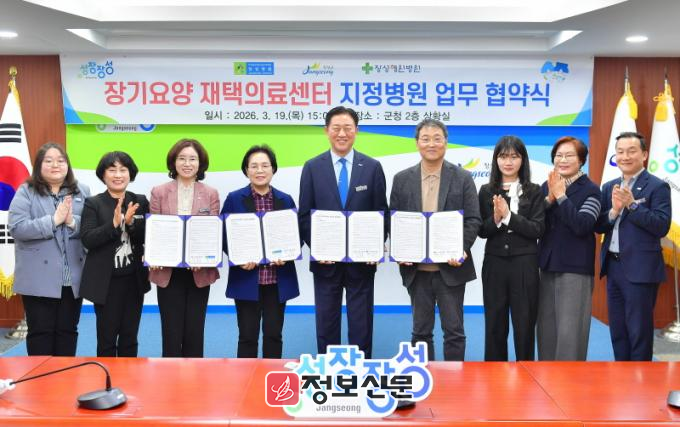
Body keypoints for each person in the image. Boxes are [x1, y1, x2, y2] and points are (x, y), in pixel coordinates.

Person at [298, 106, 388, 358]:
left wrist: (374, 247)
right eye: (336, 128)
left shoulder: (372, 167)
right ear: (326, 130)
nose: (342, 133)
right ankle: (328, 370)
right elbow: (304, 214)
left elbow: (381, 212)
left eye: (347, 128)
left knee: (362, 323)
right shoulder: (312, 167)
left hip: (361, 263)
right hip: (325, 263)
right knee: (326, 322)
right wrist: (318, 249)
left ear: (356, 131)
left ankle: (360, 371)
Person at [389, 119, 481, 361]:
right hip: (416, 271)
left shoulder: (462, 177)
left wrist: (461, 248)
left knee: (454, 332)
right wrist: (400, 250)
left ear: (446, 143)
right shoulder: (401, 179)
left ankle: (454, 379)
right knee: (420, 332)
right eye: (426, 139)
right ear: (417, 143)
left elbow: (473, 219)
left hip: (451, 269)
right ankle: (424, 377)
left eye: (437, 138)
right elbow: (394, 221)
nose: (431, 144)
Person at [8, 142, 90, 355]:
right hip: (38, 277)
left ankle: (65, 374)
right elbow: (17, 228)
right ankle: (41, 375)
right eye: (49, 161)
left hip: (72, 278)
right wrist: (53, 221)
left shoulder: (82, 191)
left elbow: (92, 228)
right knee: (40, 332)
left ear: (67, 165)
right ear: (39, 165)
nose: (56, 165)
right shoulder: (26, 191)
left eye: (61, 160)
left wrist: (72, 222)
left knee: (68, 331)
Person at [595, 131, 671, 361]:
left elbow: (661, 226)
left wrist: (632, 206)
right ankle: (622, 373)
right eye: (620, 152)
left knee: (639, 330)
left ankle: (641, 377)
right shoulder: (609, 186)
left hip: (641, 269)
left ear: (644, 155)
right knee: (617, 329)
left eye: (631, 151)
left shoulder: (657, 186)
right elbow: (600, 225)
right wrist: (614, 211)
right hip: (614, 266)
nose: (625, 156)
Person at [221, 145, 300, 358]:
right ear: (246, 170)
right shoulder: (234, 199)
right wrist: (238, 258)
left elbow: (296, 234)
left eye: (265, 165)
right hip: (247, 278)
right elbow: (223, 234)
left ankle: (271, 377)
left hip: (277, 279)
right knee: (247, 336)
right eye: (254, 166)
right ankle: (245, 376)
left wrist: (288, 255)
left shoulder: (285, 199)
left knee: (274, 334)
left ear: (273, 169)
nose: (260, 170)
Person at [149, 138, 220, 357]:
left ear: (200, 163)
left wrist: (203, 258)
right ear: (173, 162)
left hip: (199, 271)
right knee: (171, 332)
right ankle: (170, 375)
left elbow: (213, 232)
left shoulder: (211, 193)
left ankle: (194, 374)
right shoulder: (159, 192)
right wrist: (155, 254)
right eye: (182, 158)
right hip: (168, 272)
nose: (187, 163)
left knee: (194, 331)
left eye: (192, 159)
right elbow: (155, 231)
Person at [478, 135, 545, 361]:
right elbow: (481, 230)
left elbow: (537, 229)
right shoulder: (486, 191)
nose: (508, 162)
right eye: (503, 156)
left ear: (523, 160)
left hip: (525, 265)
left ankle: (526, 372)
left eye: (514, 157)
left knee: (524, 324)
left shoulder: (534, 190)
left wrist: (508, 216)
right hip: (495, 264)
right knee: (494, 324)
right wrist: (496, 219)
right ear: (496, 160)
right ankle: (494, 373)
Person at [80, 151, 150, 357]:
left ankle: (129, 376)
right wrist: (114, 224)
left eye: (123, 170)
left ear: (130, 174)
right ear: (103, 175)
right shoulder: (93, 203)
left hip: (134, 281)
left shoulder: (139, 201)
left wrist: (131, 223)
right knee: (107, 339)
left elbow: (149, 236)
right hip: (105, 283)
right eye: (112, 170)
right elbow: (88, 239)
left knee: (130, 337)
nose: (118, 175)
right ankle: (107, 377)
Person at [537, 137, 601, 361]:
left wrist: (561, 196)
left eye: (569, 155)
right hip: (547, 265)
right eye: (558, 155)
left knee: (570, 332)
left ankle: (569, 379)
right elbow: (536, 222)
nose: (562, 160)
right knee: (546, 330)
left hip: (575, 268)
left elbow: (582, 225)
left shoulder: (592, 190)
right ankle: (545, 376)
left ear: (581, 160)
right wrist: (548, 199)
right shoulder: (547, 185)